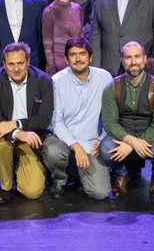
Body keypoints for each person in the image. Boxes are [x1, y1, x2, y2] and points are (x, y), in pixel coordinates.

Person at [42, 38, 113, 200]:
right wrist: (76, 146)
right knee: (52, 151)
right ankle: (60, 179)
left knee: (100, 193)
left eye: (82, 54)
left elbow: (111, 116)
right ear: (66, 59)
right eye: (73, 55)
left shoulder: (104, 78)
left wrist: (102, 140)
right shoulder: (56, 81)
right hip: (63, 140)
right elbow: (56, 121)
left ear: (91, 57)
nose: (78, 58)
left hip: (92, 142)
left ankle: (79, 174)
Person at [99, 41, 154, 198]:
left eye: (137, 57)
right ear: (122, 61)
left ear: (145, 59)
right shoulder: (112, 86)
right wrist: (131, 141)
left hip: (152, 136)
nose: (133, 62)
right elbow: (109, 123)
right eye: (128, 57)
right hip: (123, 135)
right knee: (105, 149)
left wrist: (133, 144)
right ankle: (121, 174)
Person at [0, 42, 54, 203]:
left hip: (30, 139)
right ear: (4, 64)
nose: (16, 68)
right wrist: (17, 132)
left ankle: (20, 169)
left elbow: (44, 119)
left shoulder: (44, 81)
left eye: (20, 63)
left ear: (28, 62)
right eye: (11, 64)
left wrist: (16, 124)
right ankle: (6, 186)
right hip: (5, 136)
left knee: (33, 192)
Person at [40, 0, 83, 74]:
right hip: (59, 67)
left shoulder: (78, 8)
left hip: (78, 64)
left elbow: (81, 37)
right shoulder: (49, 10)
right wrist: (52, 70)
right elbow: (47, 45)